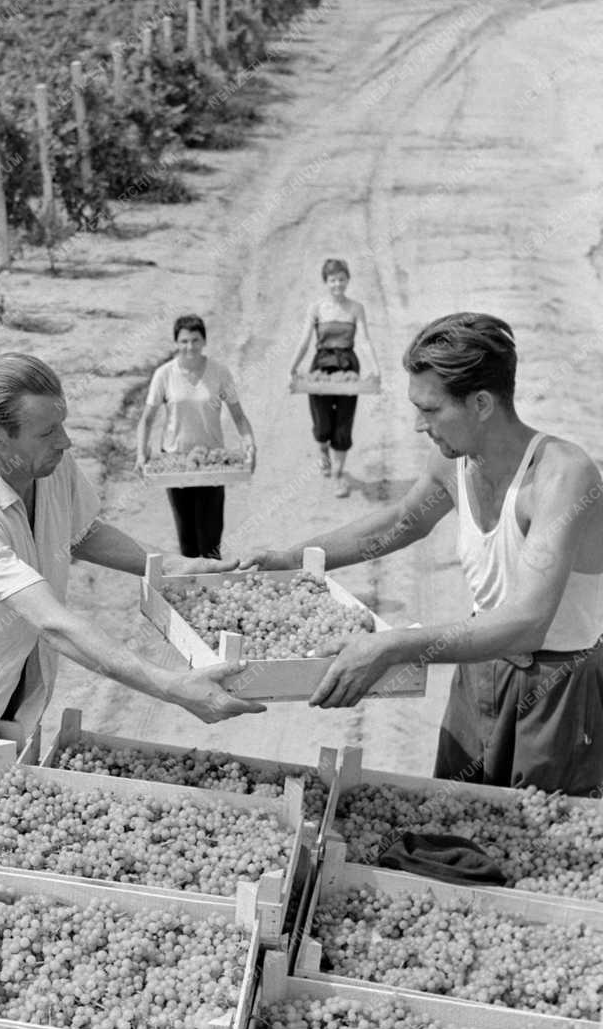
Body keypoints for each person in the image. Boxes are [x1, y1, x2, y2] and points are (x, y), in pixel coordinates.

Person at [248, 312, 603, 797]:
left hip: (557, 689)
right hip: (479, 672)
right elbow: (403, 522)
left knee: (530, 851)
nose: (419, 426)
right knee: (452, 825)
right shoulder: (455, 457)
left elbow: (528, 622)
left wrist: (393, 647)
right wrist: (294, 559)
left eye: (431, 410)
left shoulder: (563, 476)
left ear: (480, 403)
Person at [0, 352, 267, 734]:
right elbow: (52, 623)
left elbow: (80, 531)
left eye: (62, 424)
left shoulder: (47, 463)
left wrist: (169, 565)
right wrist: (171, 686)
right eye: (47, 432)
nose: (65, 441)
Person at [135, 314, 256, 559]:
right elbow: (146, 420)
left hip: (212, 462)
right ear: (176, 343)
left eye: (195, 340)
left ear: (204, 341)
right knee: (187, 539)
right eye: (184, 341)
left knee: (211, 539)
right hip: (176, 462)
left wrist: (250, 445)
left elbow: (239, 417)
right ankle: (191, 593)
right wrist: (140, 454)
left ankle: (214, 589)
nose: (190, 347)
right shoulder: (164, 374)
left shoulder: (220, 373)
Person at [287, 258, 381, 498]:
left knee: (343, 423)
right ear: (325, 282)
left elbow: (364, 340)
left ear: (348, 280)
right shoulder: (317, 308)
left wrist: (376, 368)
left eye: (341, 279)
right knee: (322, 424)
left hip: (348, 367)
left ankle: (338, 476)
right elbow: (305, 339)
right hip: (321, 366)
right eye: (332, 280)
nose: (337, 284)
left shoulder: (356, 307)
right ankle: (322, 451)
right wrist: (293, 367)